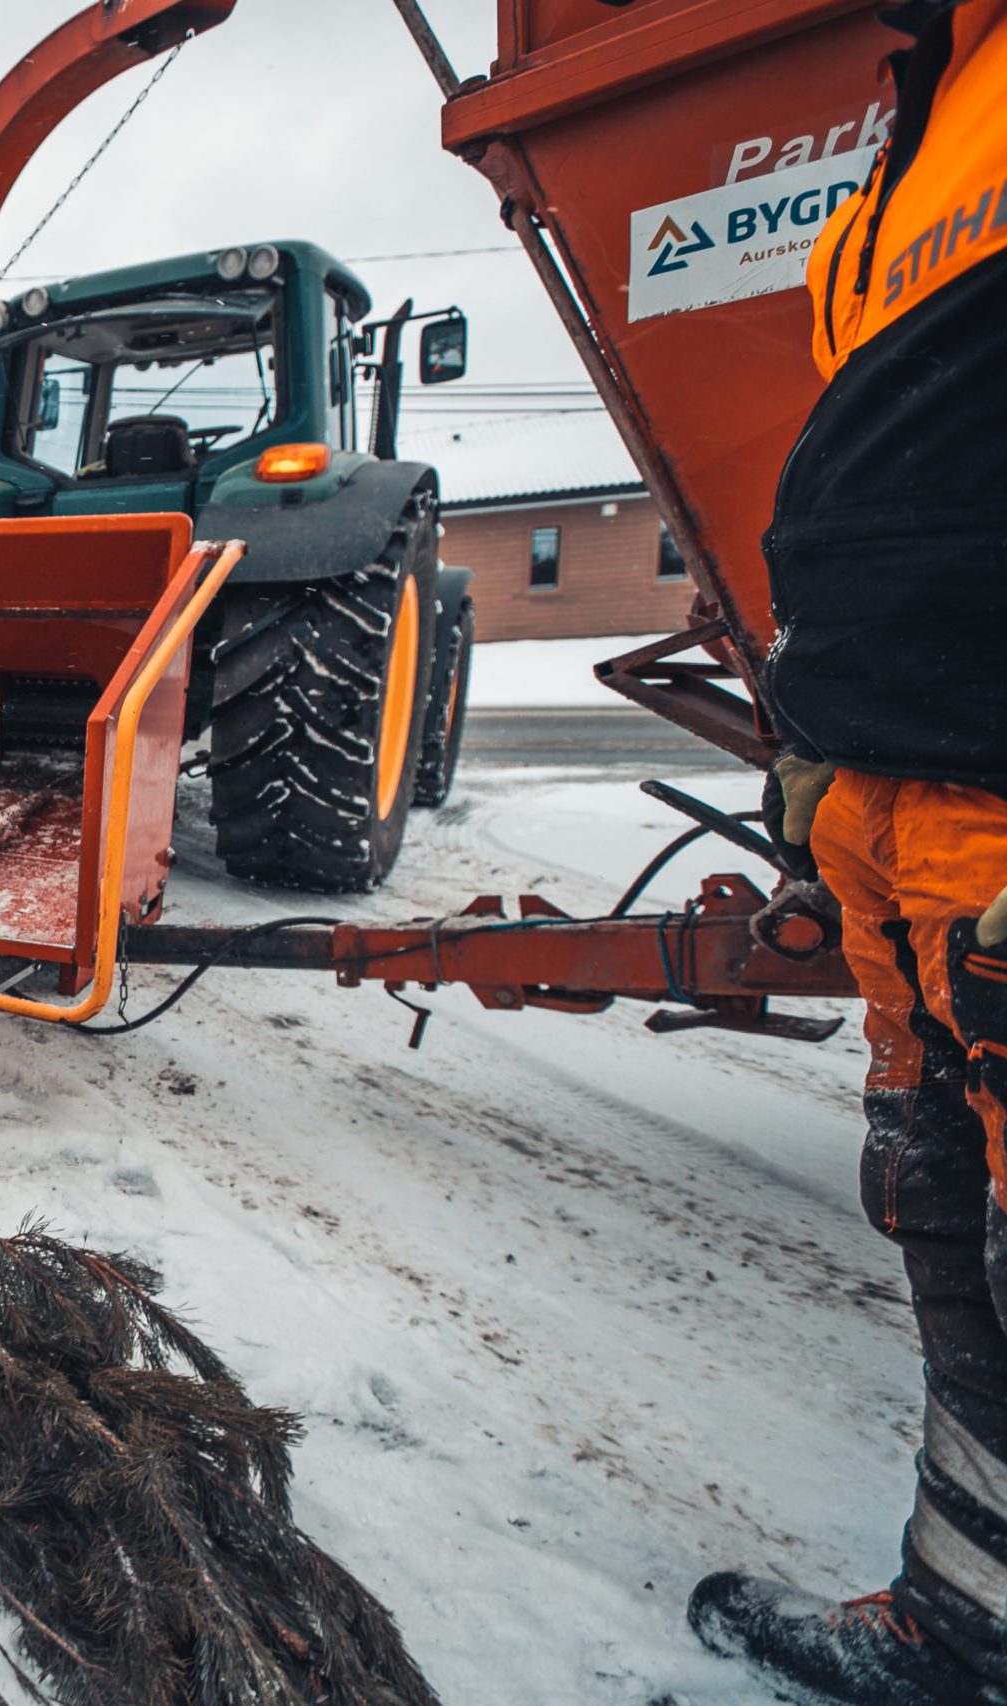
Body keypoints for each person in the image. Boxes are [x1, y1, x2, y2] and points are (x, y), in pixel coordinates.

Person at [689, 4, 1007, 1701]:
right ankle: (962, 1624)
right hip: (892, 796)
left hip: (992, 799)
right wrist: (818, 769)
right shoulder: (915, 118)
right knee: (947, 1215)